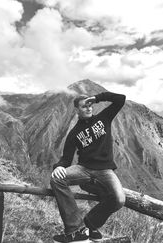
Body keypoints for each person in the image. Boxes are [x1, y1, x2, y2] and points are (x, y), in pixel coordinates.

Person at [50, 91, 126, 243]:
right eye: (84, 106)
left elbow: (120, 99)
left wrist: (97, 98)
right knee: (56, 179)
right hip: (83, 169)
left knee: (119, 199)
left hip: (105, 170)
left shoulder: (104, 118)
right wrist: (58, 167)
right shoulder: (74, 134)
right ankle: (74, 231)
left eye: (90, 105)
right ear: (77, 110)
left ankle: (91, 223)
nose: (89, 108)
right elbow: (66, 158)